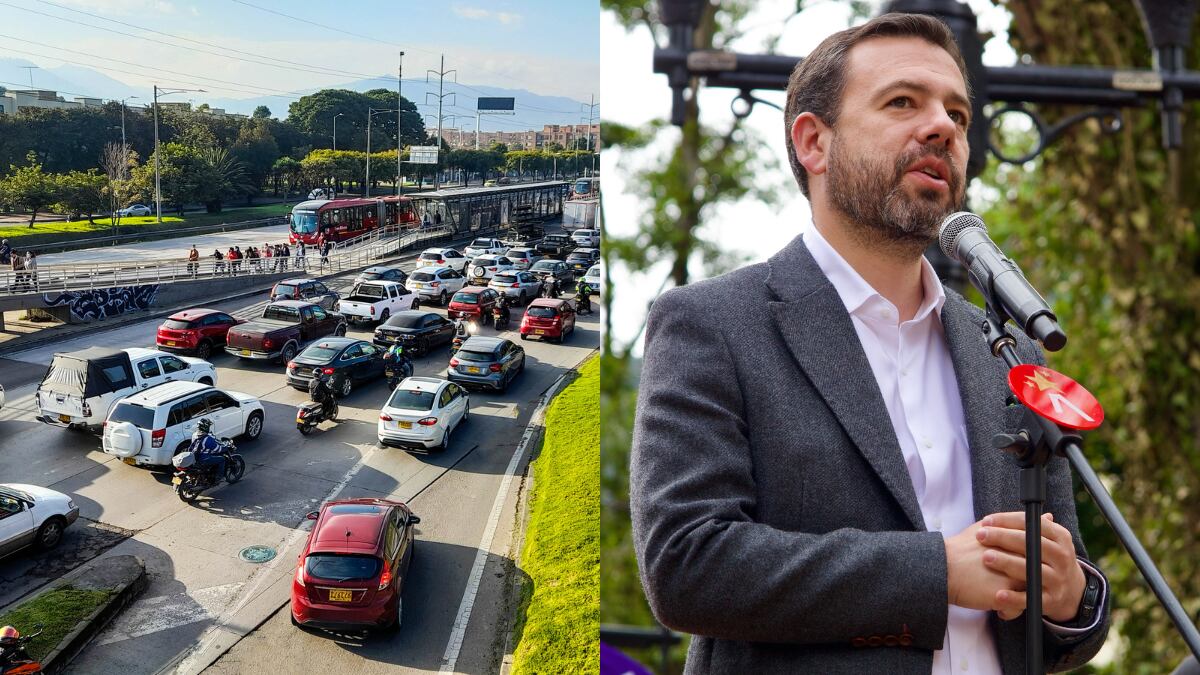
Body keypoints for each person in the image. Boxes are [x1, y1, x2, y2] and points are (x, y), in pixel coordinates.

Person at [629, 14, 1110, 675]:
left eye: (959, 115)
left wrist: (1072, 597)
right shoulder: (712, 323)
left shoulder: (1010, 354)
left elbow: (1066, 612)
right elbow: (686, 562)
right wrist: (936, 573)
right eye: (903, 102)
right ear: (813, 142)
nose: (943, 126)